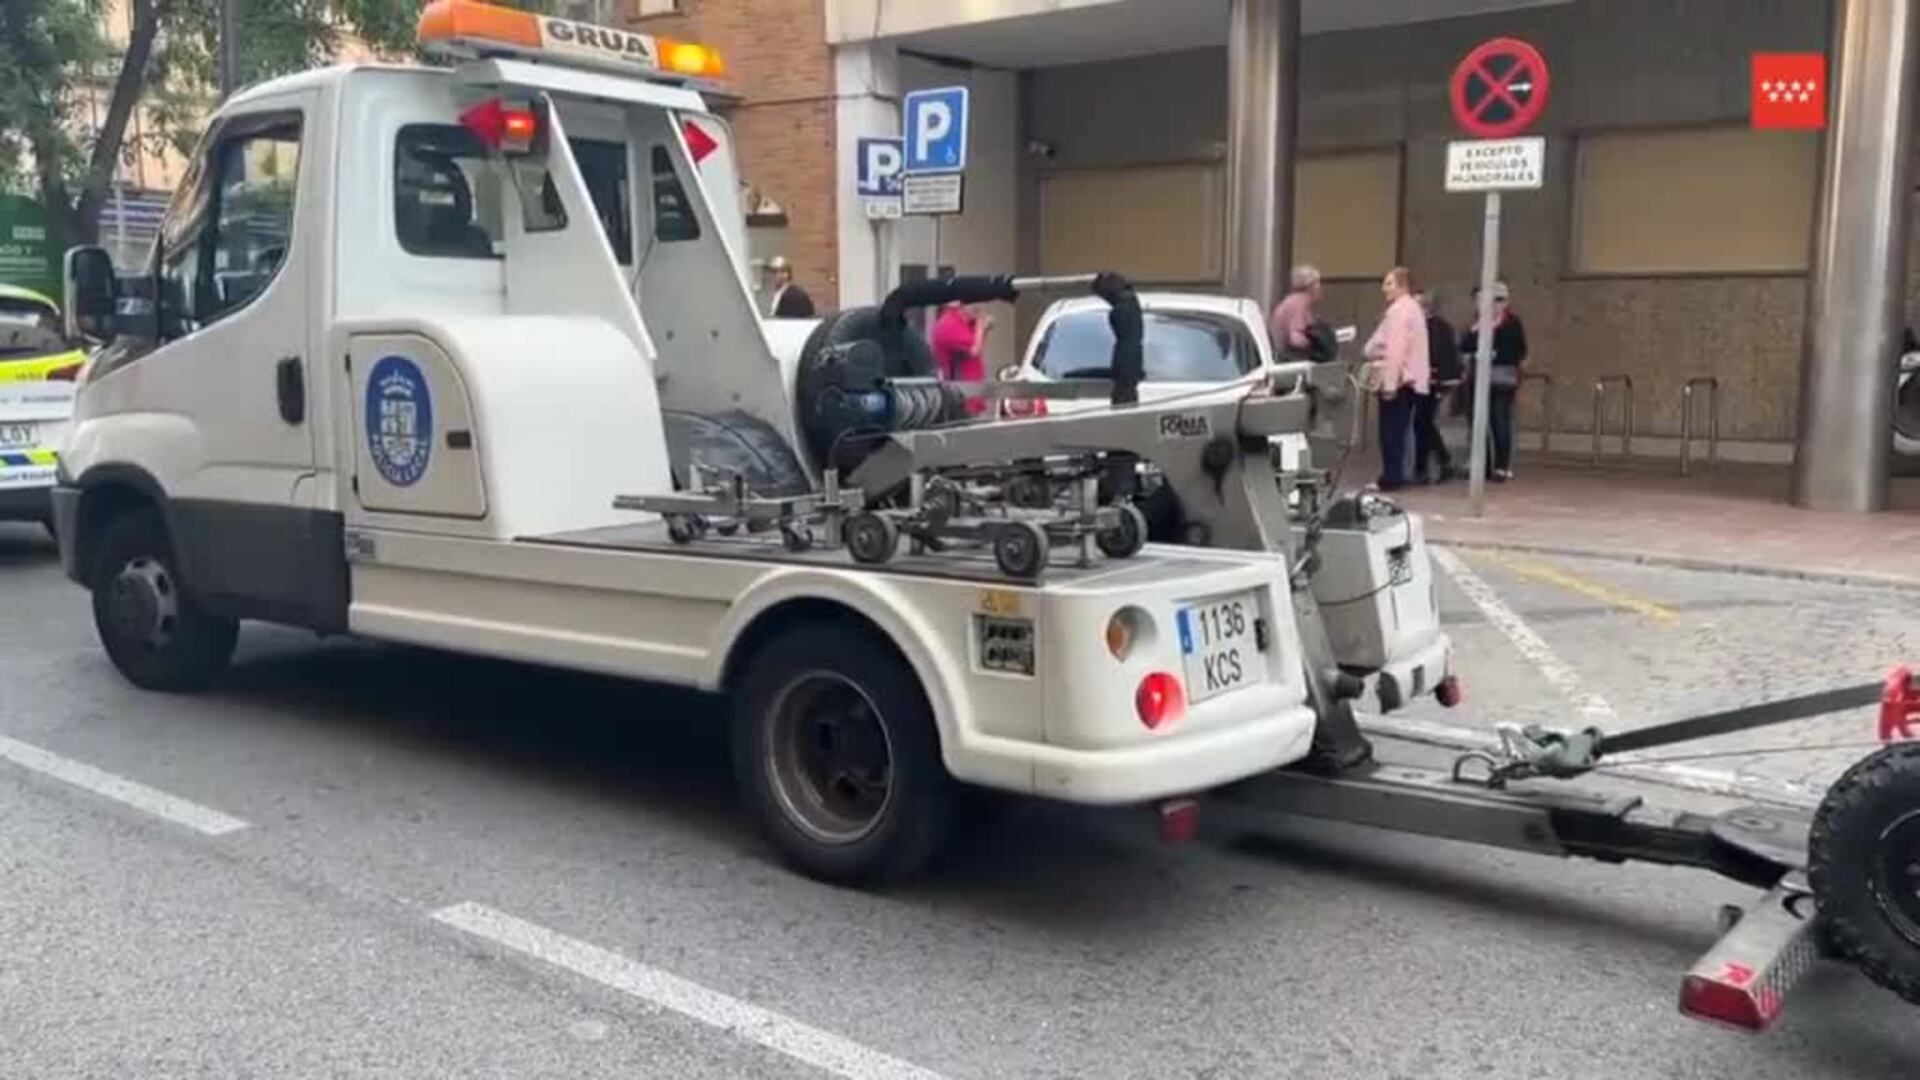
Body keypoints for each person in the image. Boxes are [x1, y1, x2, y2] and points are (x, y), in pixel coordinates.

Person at [1362, 267, 1430, 492]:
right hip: (1410, 379)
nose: (1384, 288)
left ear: (1402, 285)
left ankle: (1391, 477)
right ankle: (1397, 474)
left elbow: (1396, 350)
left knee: (1391, 431)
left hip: (1399, 379)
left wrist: (1390, 385)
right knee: (1400, 430)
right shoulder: (1412, 309)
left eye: (1389, 283)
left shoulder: (1399, 311)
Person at [1457, 281, 1529, 482]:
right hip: (1478, 379)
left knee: (1500, 420)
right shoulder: (1478, 323)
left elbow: (1519, 351)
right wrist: (1475, 336)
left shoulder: (1512, 323)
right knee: (1479, 422)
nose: (1495, 305)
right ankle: (1482, 464)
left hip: (1502, 379)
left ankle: (1501, 466)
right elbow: (1465, 346)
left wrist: (1494, 355)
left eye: (1499, 300)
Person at [1412, 289, 1463, 484]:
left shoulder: (1435, 327)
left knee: (1422, 423)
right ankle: (1439, 462)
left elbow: (1436, 356)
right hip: (1428, 381)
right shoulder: (1434, 326)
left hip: (1433, 382)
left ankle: (1425, 468)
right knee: (1423, 423)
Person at [930, 301, 994, 416]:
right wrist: (980, 328)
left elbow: (977, 347)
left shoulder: (965, 322)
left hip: (971, 392)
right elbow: (973, 351)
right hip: (960, 396)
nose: (978, 308)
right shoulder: (949, 324)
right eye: (974, 303)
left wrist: (983, 329)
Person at [1269, 264, 1335, 362]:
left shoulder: (1293, 301)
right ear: (1309, 286)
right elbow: (1296, 339)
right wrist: (1318, 343)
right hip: (1293, 358)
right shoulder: (1299, 303)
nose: (1320, 287)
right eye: (1317, 283)